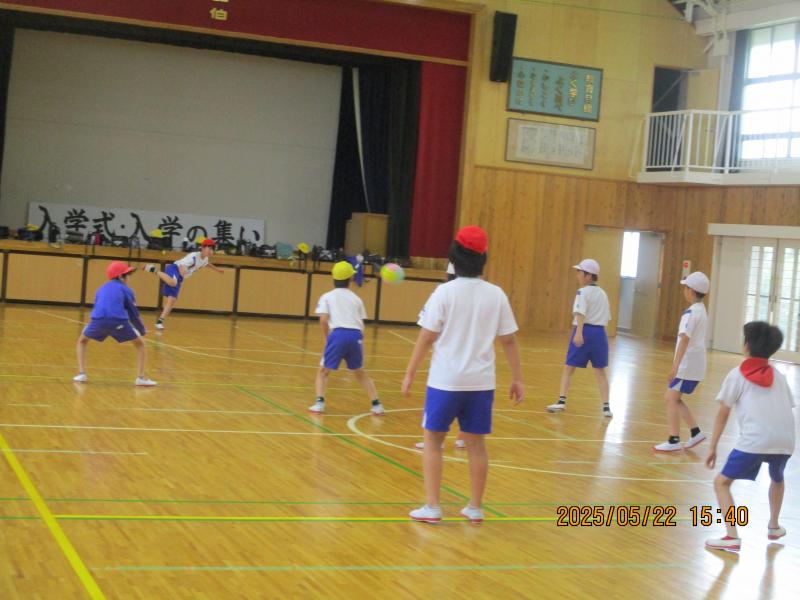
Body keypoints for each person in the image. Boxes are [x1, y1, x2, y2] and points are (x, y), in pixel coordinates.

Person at [402, 226, 524, 524]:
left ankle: (433, 506)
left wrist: (410, 373)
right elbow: (509, 340)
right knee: (476, 446)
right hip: (481, 383)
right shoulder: (496, 295)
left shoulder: (444, 292)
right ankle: (475, 507)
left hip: (445, 382)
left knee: (433, 441)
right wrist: (517, 377)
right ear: (484, 257)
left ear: (453, 257)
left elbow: (427, 337)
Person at [705, 321, 795, 551]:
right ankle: (774, 526)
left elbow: (723, 414)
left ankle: (731, 536)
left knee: (721, 483)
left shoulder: (737, 375)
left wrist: (713, 446)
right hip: (785, 441)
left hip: (755, 440)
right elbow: (787, 407)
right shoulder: (780, 376)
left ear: (746, 345)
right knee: (777, 478)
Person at [308, 261, 385, 416]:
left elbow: (323, 320)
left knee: (323, 371)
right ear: (351, 279)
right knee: (360, 372)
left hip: (338, 335)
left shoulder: (327, 297)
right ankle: (377, 405)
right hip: (356, 335)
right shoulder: (357, 299)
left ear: (333, 278)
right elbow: (361, 324)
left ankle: (319, 404)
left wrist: (327, 338)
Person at [547, 259, 612, 417]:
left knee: (569, 368)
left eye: (580, 272)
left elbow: (580, 313)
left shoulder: (582, 292)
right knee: (600, 371)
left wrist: (579, 333)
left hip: (584, 331)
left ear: (588, 276)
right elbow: (607, 317)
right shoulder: (603, 293)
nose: (577, 275)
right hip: (600, 334)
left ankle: (561, 401)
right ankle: (606, 407)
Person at [73, 261, 156, 386]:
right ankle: (141, 378)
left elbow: (97, 308)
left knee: (82, 341)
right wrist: (142, 330)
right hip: (118, 320)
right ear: (121, 276)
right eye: (128, 275)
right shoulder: (127, 290)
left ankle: (81, 374)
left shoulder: (100, 288)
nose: (129, 278)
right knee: (140, 344)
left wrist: (94, 323)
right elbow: (134, 314)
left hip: (98, 320)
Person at [653, 271, 710, 452]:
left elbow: (684, 339)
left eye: (685, 288)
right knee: (674, 398)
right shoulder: (702, 310)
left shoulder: (690, 313)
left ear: (691, 291)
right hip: (696, 364)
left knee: (670, 398)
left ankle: (674, 439)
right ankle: (695, 432)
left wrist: (675, 367)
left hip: (687, 365)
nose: (684, 291)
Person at [414, 261, 465, 451]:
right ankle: (462, 438)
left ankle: (436, 440)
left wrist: (410, 372)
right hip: (474, 361)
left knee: (441, 403)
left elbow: (426, 326)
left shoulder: (441, 292)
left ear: (447, 275)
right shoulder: (480, 293)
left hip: (447, 361)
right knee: (467, 400)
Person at [143, 238, 224, 330]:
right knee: (173, 283)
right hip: (174, 269)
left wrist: (217, 270)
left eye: (212, 249)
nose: (211, 251)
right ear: (202, 248)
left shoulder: (205, 259)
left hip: (180, 276)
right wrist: (182, 275)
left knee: (172, 300)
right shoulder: (193, 257)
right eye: (209, 248)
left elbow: (207, 264)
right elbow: (182, 266)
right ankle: (153, 270)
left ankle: (159, 322)